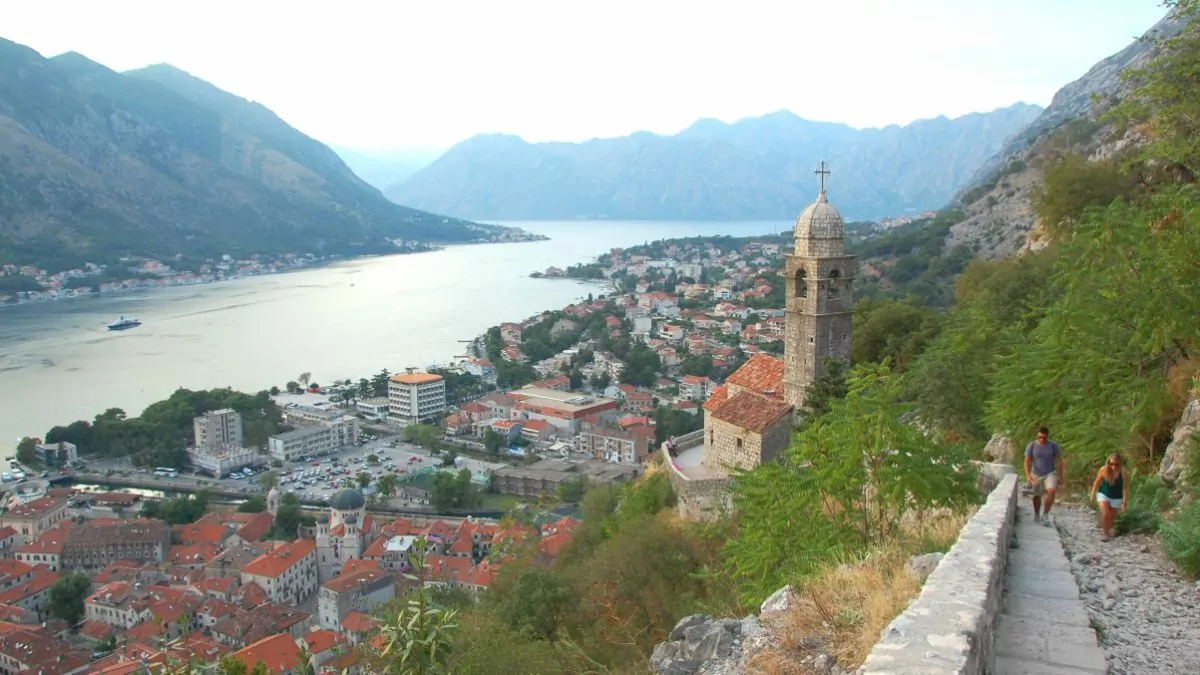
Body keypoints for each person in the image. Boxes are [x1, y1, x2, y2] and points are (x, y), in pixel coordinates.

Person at [1024, 425, 1064, 526]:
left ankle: (1045, 515)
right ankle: (1037, 514)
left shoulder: (1052, 445)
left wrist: (1060, 475)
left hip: (1050, 472)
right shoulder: (1032, 446)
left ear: (1047, 437)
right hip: (1036, 473)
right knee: (1037, 495)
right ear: (1037, 437)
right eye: (1040, 437)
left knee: (1051, 491)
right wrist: (1028, 476)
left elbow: (1059, 460)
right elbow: (1027, 461)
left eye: (1044, 437)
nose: (1042, 439)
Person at [1090, 454, 1129, 542]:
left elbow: (1125, 488)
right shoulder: (1103, 470)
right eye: (1111, 464)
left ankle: (1107, 529)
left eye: (1116, 464)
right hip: (1103, 494)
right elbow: (1096, 482)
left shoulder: (1123, 473)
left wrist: (1124, 502)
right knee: (1105, 513)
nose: (1113, 466)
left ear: (1120, 464)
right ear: (1108, 463)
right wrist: (1092, 495)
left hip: (1117, 497)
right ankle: (1105, 534)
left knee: (1112, 517)